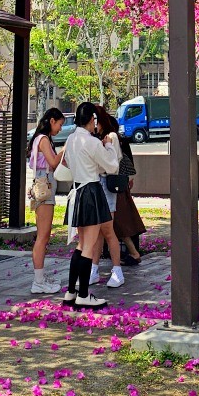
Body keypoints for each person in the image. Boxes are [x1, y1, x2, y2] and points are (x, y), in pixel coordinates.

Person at [59, 102, 120, 309]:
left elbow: (66, 162)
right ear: (91, 120)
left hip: (76, 191)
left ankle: (70, 292)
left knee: (81, 244)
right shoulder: (92, 142)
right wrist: (109, 145)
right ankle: (83, 294)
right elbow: (112, 166)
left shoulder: (71, 138)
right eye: (95, 120)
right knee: (88, 246)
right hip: (91, 191)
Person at [27, 107, 66, 295]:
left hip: (44, 184)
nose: (60, 129)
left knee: (44, 235)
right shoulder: (43, 139)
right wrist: (66, 149)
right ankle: (38, 281)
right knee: (43, 236)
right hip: (45, 186)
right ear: (52, 121)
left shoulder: (42, 139)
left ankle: (40, 278)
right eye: (59, 124)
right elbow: (52, 162)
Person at [87, 106, 125, 289]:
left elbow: (112, 164)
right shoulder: (98, 138)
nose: (93, 124)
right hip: (97, 183)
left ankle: (117, 270)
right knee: (98, 232)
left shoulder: (112, 137)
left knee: (108, 230)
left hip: (107, 184)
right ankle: (94, 270)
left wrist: (106, 146)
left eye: (95, 120)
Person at [112, 129, 146, 263]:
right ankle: (132, 252)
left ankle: (131, 253)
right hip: (119, 186)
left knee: (116, 223)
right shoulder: (118, 140)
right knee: (117, 224)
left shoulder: (112, 139)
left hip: (115, 187)